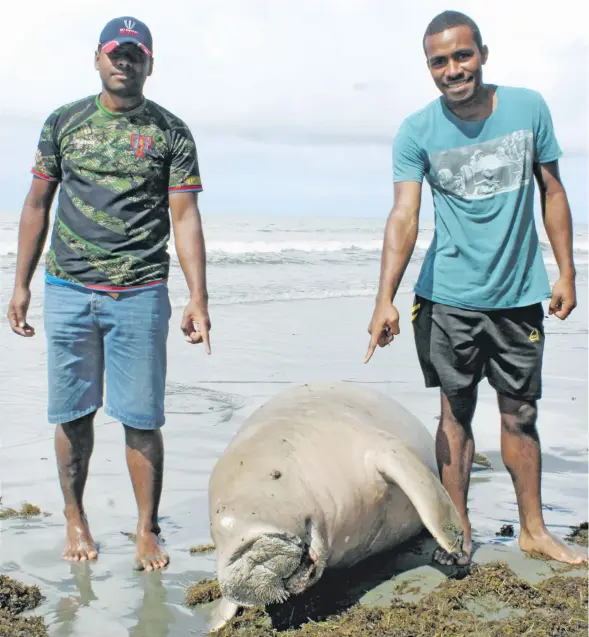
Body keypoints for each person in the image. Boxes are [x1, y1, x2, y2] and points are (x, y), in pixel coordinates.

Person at [364, 10, 586, 566]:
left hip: (518, 297)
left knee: (521, 415)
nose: (452, 69)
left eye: (462, 55)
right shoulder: (416, 131)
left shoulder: (528, 107)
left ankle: (533, 529)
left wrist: (566, 270)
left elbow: (552, 193)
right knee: (453, 415)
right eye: (439, 61)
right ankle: (458, 532)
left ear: (482, 52)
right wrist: (383, 298)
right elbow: (404, 217)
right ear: (429, 67)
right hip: (447, 301)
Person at [6, 16, 211, 572]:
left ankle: (147, 529)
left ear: (149, 62)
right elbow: (35, 205)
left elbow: (185, 214)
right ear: (98, 58)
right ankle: (76, 518)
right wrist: (20, 284)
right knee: (73, 415)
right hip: (68, 289)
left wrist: (199, 296)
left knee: (142, 418)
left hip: (140, 293)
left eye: (135, 55)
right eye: (116, 54)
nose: (125, 62)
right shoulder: (63, 122)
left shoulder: (171, 131)